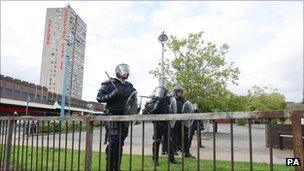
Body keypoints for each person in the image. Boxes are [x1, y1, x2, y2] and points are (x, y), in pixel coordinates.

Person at [96, 63, 136, 171]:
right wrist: (113, 94)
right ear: (118, 71)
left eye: (127, 70)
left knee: (120, 144)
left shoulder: (130, 86)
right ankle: (109, 168)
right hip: (112, 116)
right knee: (113, 142)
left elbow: (133, 101)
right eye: (123, 70)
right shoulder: (109, 83)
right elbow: (99, 97)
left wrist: (135, 110)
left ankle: (116, 167)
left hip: (125, 118)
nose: (125, 72)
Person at [142, 86, 179, 166]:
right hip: (158, 123)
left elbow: (172, 109)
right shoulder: (154, 100)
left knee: (169, 141)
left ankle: (172, 159)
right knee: (157, 141)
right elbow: (147, 111)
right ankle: (155, 160)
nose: (161, 93)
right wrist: (153, 107)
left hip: (167, 122)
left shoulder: (168, 99)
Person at [172, 84, 195, 158]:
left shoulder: (183, 100)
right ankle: (173, 151)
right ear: (175, 92)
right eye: (179, 91)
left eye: (181, 91)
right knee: (175, 137)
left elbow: (187, 108)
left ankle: (187, 152)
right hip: (175, 121)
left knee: (185, 137)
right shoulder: (172, 100)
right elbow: (171, 110)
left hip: (183, 122)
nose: (180, 93)